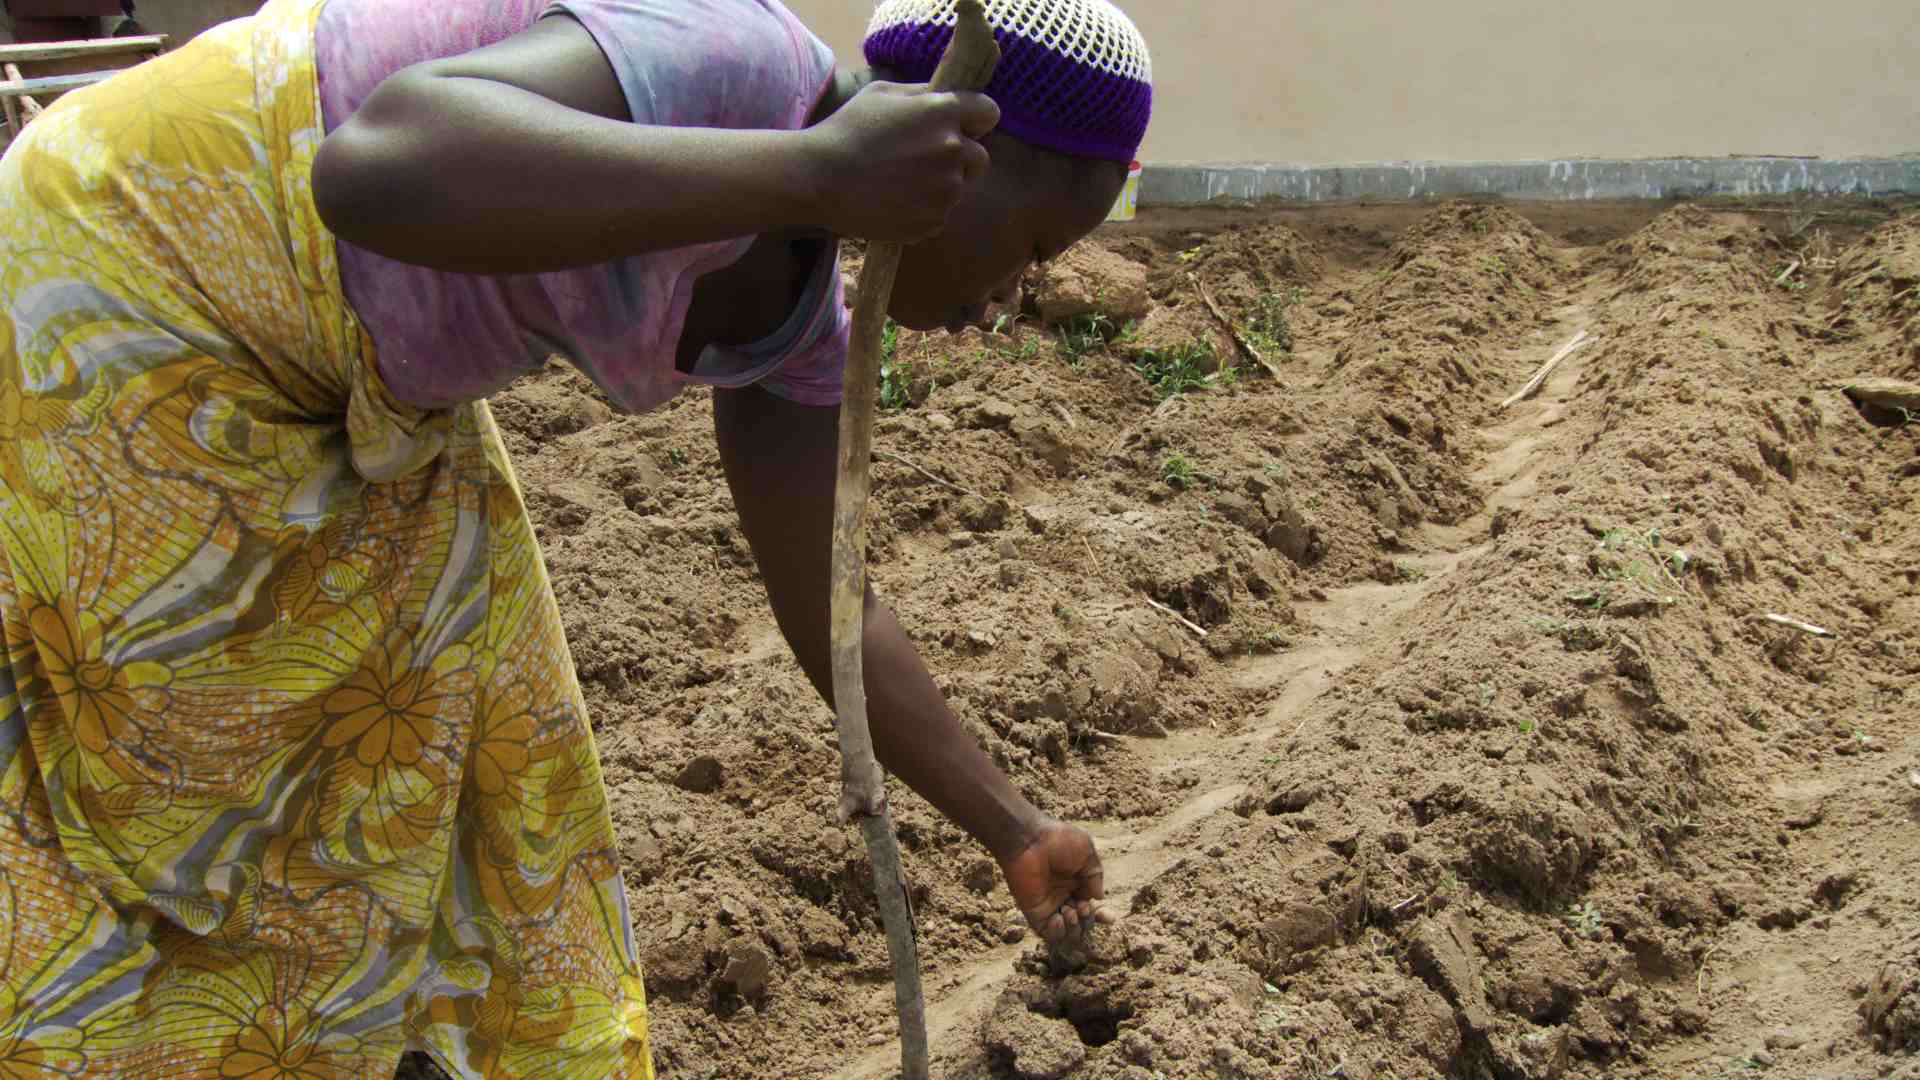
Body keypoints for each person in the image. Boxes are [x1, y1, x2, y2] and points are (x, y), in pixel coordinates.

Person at [0, 0, 1153, 1074]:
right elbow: (375, 164)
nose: (1016, 295)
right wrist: (815, 173)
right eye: (1038, 247)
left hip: (346, 384)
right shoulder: (737, 59)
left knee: (496, 754)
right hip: (128, 265)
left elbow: (831, 603)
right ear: (962, 144)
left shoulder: (800, 335)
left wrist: (1014, 831)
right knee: (212, 811)